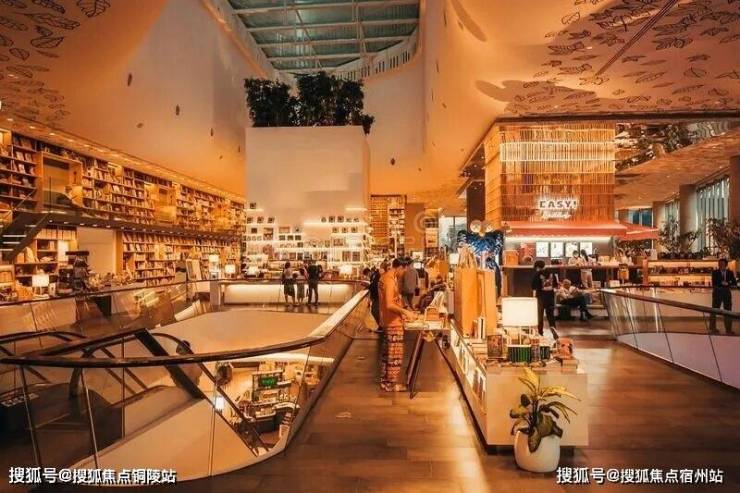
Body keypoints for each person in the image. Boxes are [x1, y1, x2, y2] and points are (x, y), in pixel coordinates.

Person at [378, 258, 416, 392]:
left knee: (387, 353)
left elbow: (392, 301)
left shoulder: (386, 278)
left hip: (388, 320)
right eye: (404, 270)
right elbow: (389, 304)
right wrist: (405, 312)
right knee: (395, 354)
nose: (404, 273)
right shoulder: (389, 280)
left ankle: (385, 381)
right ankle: (391, 384)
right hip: (393, 322)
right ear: (400, 267)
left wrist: (404, 310)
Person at [709, 258, 736, 334]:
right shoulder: (715, 272)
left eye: (722, 264)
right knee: (714, 310)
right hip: (717, 292)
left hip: (727, 293)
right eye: (719, 264)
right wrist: (722, 283)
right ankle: (712, 328)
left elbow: (734, 282)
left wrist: (728, 283)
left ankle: (728, 330)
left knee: (728, 311)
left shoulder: (730, 272)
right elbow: (714, 283)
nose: (720, 265)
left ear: (726, 265)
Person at [532, 260, 558, 337]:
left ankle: (540, 332)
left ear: (537, 267)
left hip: (541, 297)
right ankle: (553, 329)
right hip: (550, 297)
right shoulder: (552, 273)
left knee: (540, 315)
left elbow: (533, 286)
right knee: (550, 315)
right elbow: (555, 285)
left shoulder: (537, 274)